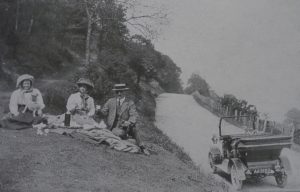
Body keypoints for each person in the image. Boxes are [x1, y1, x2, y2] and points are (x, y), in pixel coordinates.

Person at [101, 83, 144, 149]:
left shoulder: (130, 103)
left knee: (134, 128)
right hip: (112, 127)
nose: (119, 94)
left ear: (125, 92)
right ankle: (127, 139)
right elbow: (104, 112)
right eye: (117, 92)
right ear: (115, 92)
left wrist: (129, 122)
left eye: (121, 91)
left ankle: (142, 146)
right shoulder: (110, 101)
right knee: (120, 133)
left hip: (125, 127)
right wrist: (99, 111)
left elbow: (134, 115)